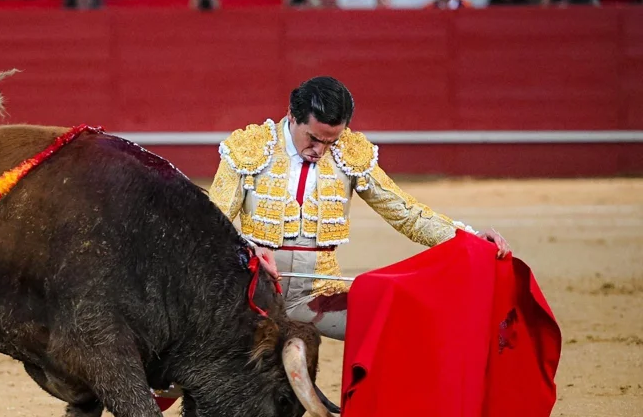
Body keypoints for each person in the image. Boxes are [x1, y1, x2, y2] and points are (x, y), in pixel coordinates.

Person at [208, 76, 510, 340]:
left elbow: (404, 212)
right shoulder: (249, 148)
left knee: (398, 329)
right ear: (291, 115)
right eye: (313, 138)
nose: (320, 150)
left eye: (331, 141)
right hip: (250, 293)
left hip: (317, 295)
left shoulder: (350, 154)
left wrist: (467, 238)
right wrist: (246, 248)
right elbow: (210, 222)